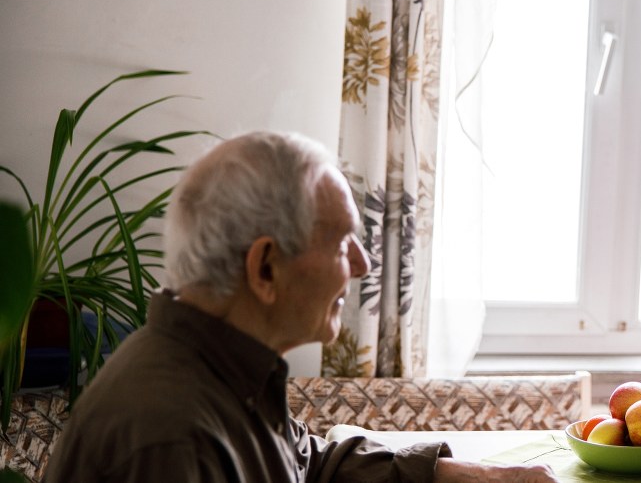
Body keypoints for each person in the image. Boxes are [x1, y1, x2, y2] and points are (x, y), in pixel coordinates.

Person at [45, 131, 557, 483]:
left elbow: (305, 466)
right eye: (341, 245)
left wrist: (474, 475)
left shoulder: (222, 365)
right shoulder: (174, 438)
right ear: (266, 267)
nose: (360, 265)